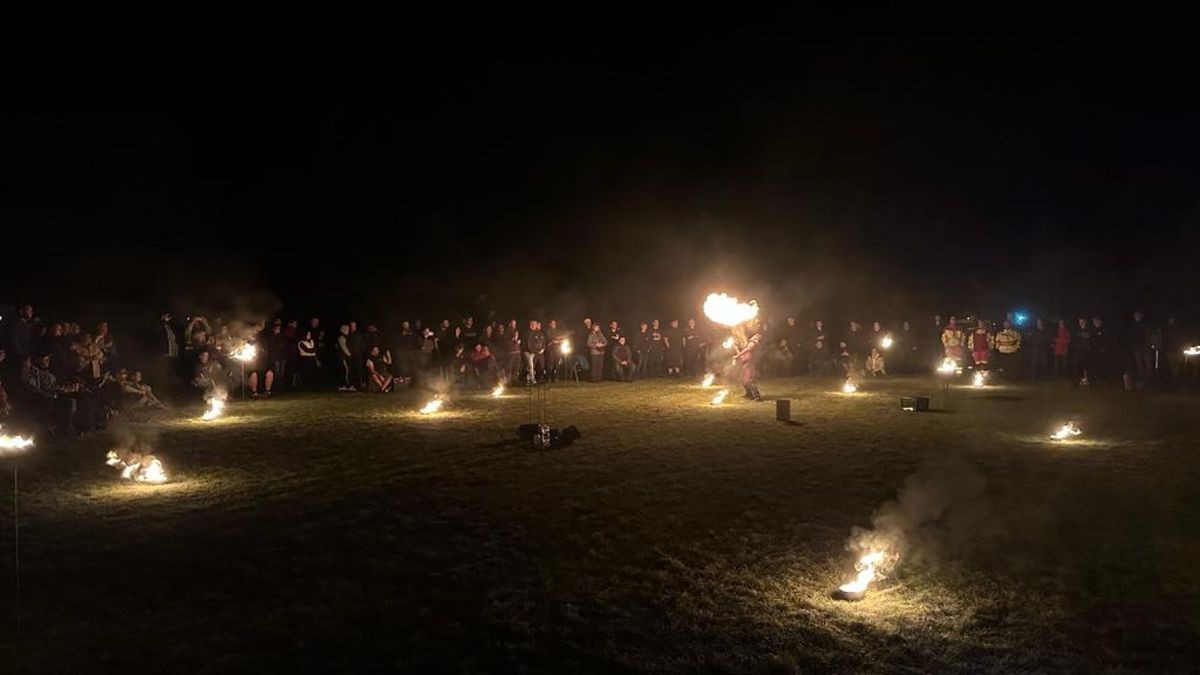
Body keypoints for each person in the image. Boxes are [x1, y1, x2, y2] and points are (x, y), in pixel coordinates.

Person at [733, 323, 764, 401]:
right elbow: (743, 351)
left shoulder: (756, 338)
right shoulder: (750, 339)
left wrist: (737, 355)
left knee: (749, 380)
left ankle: (757, 396)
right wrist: (736, 349)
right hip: (746, 361)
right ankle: (749, 394)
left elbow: (748, 349)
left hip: (750, 362)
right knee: (744, 380)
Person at [523, 320, 546, 385]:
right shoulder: (528, 332)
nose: (536, 326)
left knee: (530, 366)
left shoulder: (535, 332)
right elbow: (529, 344)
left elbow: (539, 342)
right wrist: (533, 352)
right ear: (532, 324)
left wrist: (541, 349)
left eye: (536, 324)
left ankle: (528, 380)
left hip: (534, 352)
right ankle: (533, 380)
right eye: (535, 324)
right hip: (528, 352)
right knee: (531, 365)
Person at [1071, 317, 1092, 386]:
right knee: (1079, 365)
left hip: (1087, 351)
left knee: (1086, 366)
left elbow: (1090, 340)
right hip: (1079, 351)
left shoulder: (1089, 330)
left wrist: (1088, 347)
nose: (1081, 323)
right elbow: (1074, 340)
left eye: (1082, 321)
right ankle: (1080, 380)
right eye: (1080, 321)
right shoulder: (1077, 330)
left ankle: (1086, 380)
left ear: (1085, 322)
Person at [335, 324, 355, 391]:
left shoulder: (345, 337)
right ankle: (347, 385)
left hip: (344, 356)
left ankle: (345, 385)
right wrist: (349, 355)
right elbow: (343, 347)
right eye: (346, 329)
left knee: (346, 370)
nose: (348, 330)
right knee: (346, 370)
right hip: (344, 357)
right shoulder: (341, 337)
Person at [347, 321, 366, 390]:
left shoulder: (359, 334)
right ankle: (353, 385)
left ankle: (359, 385)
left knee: (359, 371)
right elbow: (348, 345)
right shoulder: (348, 335)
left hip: (358, 355)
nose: (352, 327)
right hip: (351, 356)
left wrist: (360, 353)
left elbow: (362, 344)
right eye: (351, 326)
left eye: (353, 326)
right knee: (352, 371)